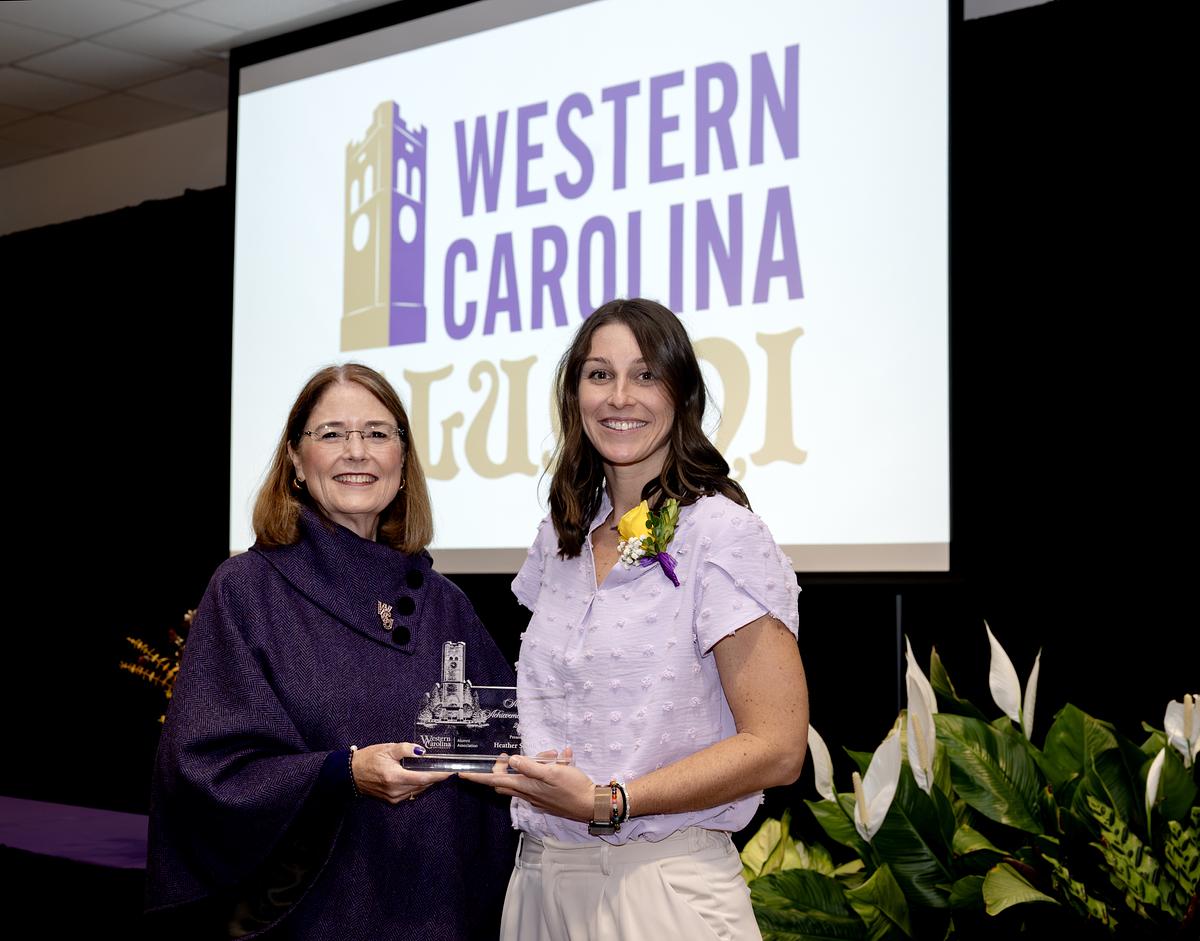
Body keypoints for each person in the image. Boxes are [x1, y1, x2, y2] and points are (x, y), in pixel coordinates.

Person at [463, 299, 809, 940]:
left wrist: (608, 802)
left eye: (645, 374)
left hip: (660, 886)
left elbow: (779, 748)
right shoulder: (561, 540)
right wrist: (484, 756)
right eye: (598, 375)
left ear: (682, 394)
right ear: (574, 397)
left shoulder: (722, 534)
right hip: (539, 881)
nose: (620, 396)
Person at [147, 364, 516, 940]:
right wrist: (342, 773)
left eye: (377, 433)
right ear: (295, 460)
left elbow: (502, 747)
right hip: (313, 920)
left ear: (402, 460)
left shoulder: (447, 605)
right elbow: (202, 770)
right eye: (332, 434)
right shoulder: (247, 591)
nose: (357, 452)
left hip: (444, 915)